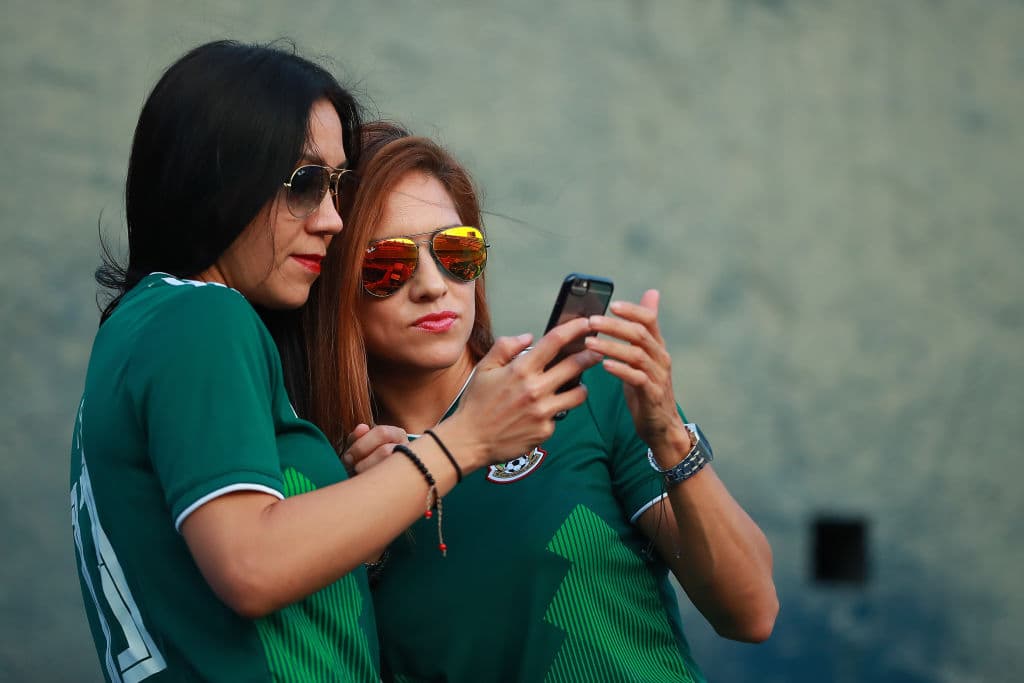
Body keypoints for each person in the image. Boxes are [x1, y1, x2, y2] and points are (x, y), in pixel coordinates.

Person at [70, 42, 600, 683]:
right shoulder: (203, 316)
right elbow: (250, 566)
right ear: (218, 176)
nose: (331, 220)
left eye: (339, 185)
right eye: (305, 184)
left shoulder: (141, 330)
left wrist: (353, 504)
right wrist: (464, 441)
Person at [308, 122, 780, 682]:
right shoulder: (330, 481)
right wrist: (363, 543)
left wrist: (671, 441)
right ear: (332, 281)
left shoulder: (579, 394)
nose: (433, 284)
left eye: (456, 250)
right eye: (387, 263)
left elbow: (750, 613)